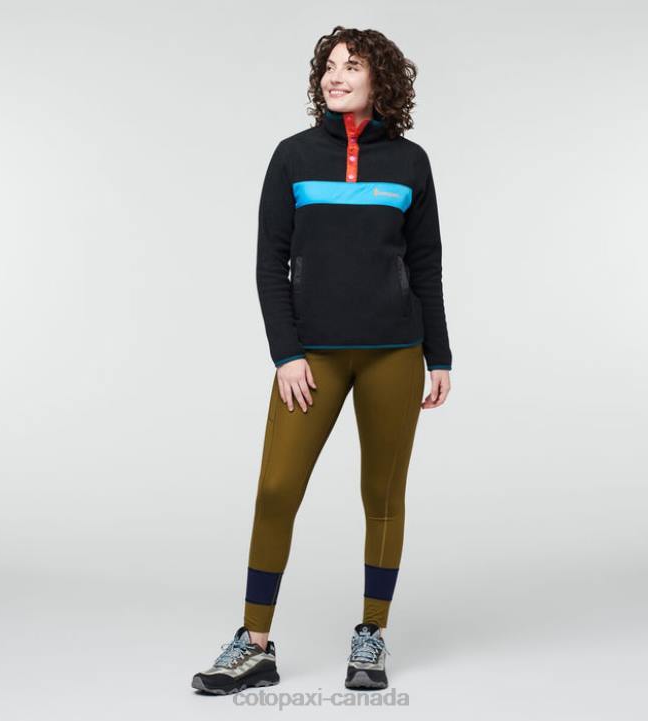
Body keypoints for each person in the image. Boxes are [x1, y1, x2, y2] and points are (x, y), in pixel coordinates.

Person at [192, 25, 452, 695]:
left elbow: (426, 262)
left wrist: (439, 355)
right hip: (313, 356)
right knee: (276, 488)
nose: (335, 76)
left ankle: (371, 632)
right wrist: (286, 352)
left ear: (380, 80)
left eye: (351, 66)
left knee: (382, 496)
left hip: (395, 351)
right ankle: (254, 644)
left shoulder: (411, 162)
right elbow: (269, 262)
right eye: (329, 66)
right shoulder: (293, 156)